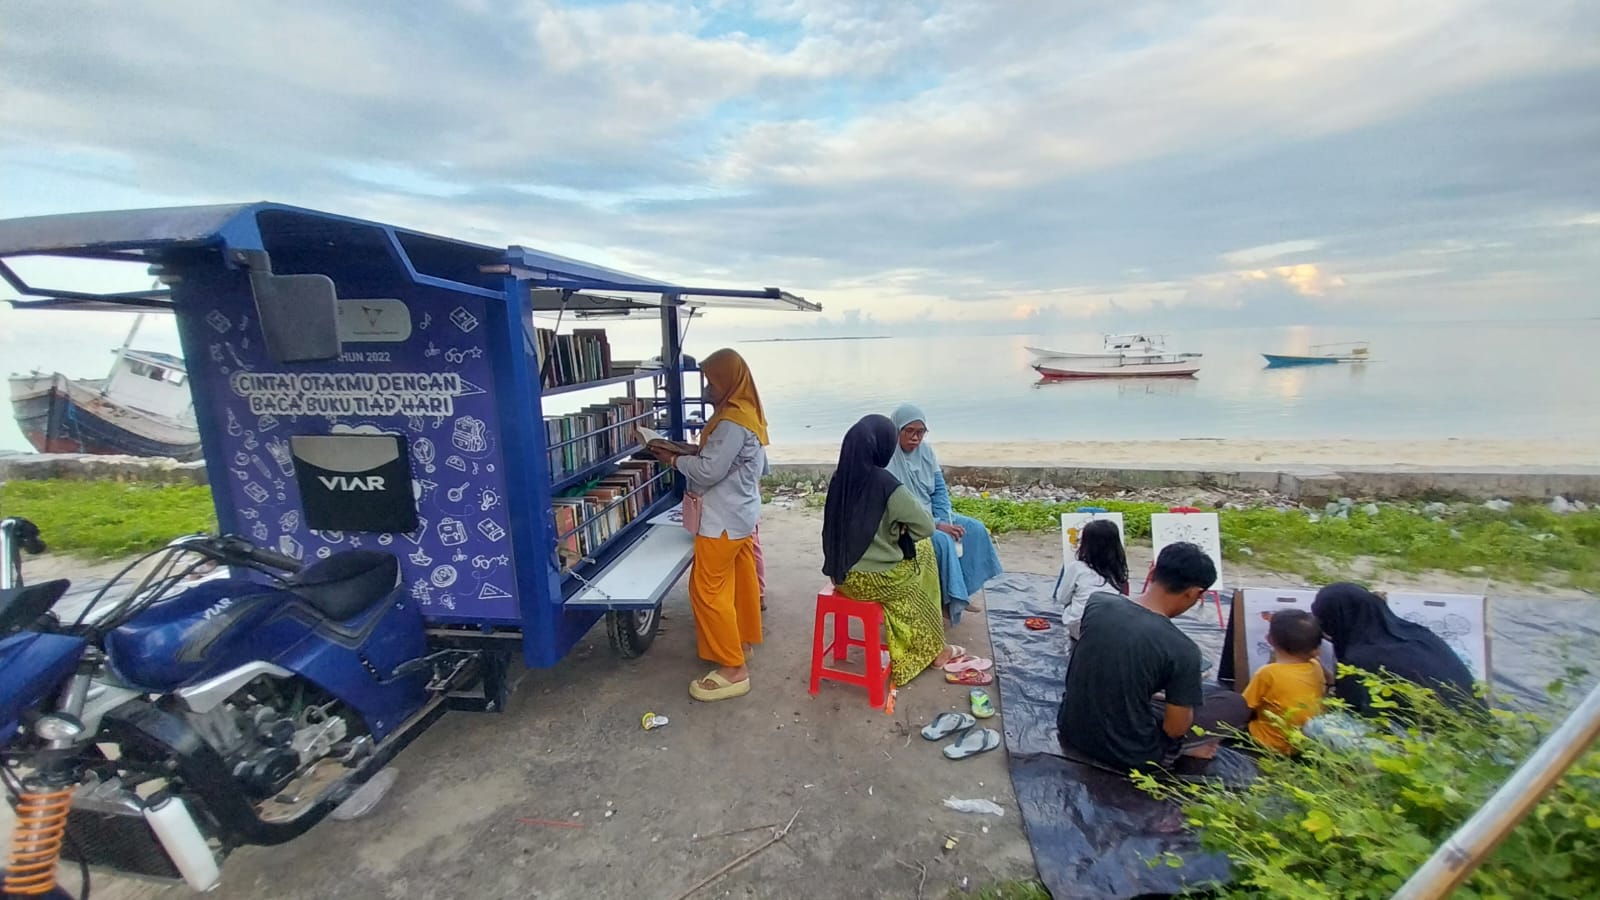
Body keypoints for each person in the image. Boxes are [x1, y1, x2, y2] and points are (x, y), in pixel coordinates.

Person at [1057, 542, 1249, 771]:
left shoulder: (1099, 603)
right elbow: (1174, 729)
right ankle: (1189, 748)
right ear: (1194, 593)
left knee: (1203, 692)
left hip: (1071, 728)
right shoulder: (1183, 649)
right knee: (1235, 703)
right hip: (1131, 753)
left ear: (1152, 572)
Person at [653, 348, 767, 702]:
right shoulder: (747, 414)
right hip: (741, 516)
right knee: (740, 584)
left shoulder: (732, 421)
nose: (706, 391)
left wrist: (673, 459)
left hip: (721, 520)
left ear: (728, 381)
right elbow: (739, 462)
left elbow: (709, 470)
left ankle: (734, 669)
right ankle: (741, 644)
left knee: (706, 590)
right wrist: (687, 450)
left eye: (711, 382)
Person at [822, 414, 971, 685]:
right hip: (872, 581)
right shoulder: (886, 485)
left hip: (841, 576)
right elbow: (926, 527)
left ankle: (928, 634)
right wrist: (900, 529)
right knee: (924, 556)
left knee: (919, 559)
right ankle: (933, 648)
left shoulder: (839, 478)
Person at [885, 403, 1004, 622]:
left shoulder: (926, 452)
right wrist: (937, 524)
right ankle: (948, 600)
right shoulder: (888, 458)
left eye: (920, 432)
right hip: (906, 521)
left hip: (932, 513)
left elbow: (939, 490)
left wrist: (944, 517)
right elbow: (896, 505)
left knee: (974, 529)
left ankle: (961, 593)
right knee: (942, 540)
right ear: (896, 430)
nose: (915, 438)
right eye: (909, 431)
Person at [1311, 583, 1480, 717]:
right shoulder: (1415, 631)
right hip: (1477, 725)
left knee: (1320, 726)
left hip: (1441, 744)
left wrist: (1331, 684)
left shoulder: (1360, 659)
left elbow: (1351, 709)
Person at [1241, 610, 1327, 754]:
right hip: (1304, 743)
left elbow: (1243, 706)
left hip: (1270, 743)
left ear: (1269, 639)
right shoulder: (1315, 666)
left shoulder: (1268, 673)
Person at [1058, 518, 1130, 640]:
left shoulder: (1077, 568)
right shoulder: (1119, 569)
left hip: (1081, 628)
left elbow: (1062, 598)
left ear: (1086, 544)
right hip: (1114, 629)